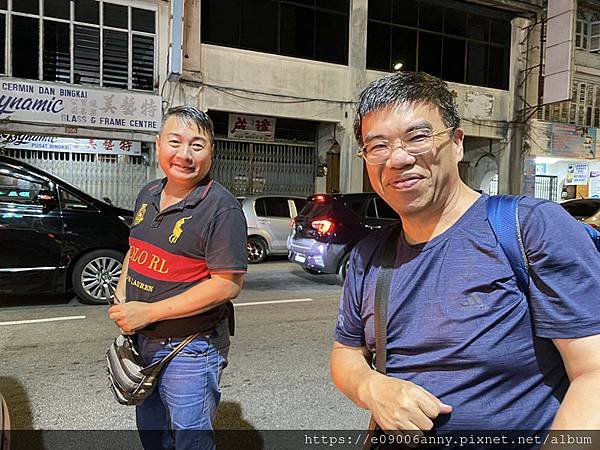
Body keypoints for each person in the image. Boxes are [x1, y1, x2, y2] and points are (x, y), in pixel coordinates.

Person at [330, 72, 600, 446]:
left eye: (418, 137)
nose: (398, 158)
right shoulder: (368, 256)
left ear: (457, 143)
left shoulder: (530, 228)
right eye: (378, 146)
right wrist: (370, 386)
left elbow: (593, 373)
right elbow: (346, 352)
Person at [108, 106, 247, 450]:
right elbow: (135, 248)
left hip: (190, 347)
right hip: (143, 341)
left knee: (190, 440)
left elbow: (227, 284)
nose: (184, 155)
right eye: (175, 142)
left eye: (197, 145)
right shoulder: (149, 193)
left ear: (211, 152)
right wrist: (123, 296)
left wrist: (150, 312)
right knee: (153, 433)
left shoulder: (221, 208)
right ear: (158, 145)